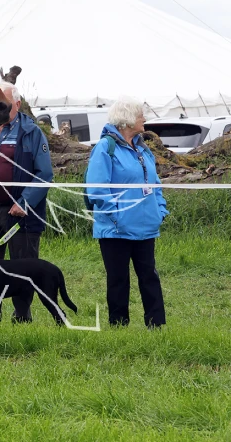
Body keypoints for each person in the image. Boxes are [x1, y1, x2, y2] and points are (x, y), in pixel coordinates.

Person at [0, 81, 54, 322]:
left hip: (18, 214)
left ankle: (22, 317)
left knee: (22, 267)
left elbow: (44, 174)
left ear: (17, 103)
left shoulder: (31, 132)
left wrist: (24, 203)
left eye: (3, 103)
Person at [85, 97, 168, 328]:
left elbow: (155, 184)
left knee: (149, 277)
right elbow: (97, 189)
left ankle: (157, 325)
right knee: (118, 280)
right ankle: (119, 327)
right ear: (128, 119)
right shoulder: (105, 148)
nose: (144, 118)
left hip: (146, 227)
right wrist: (116, 217)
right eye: (141, 114)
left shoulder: (143, 148)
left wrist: (160, 210)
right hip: (115, 230)